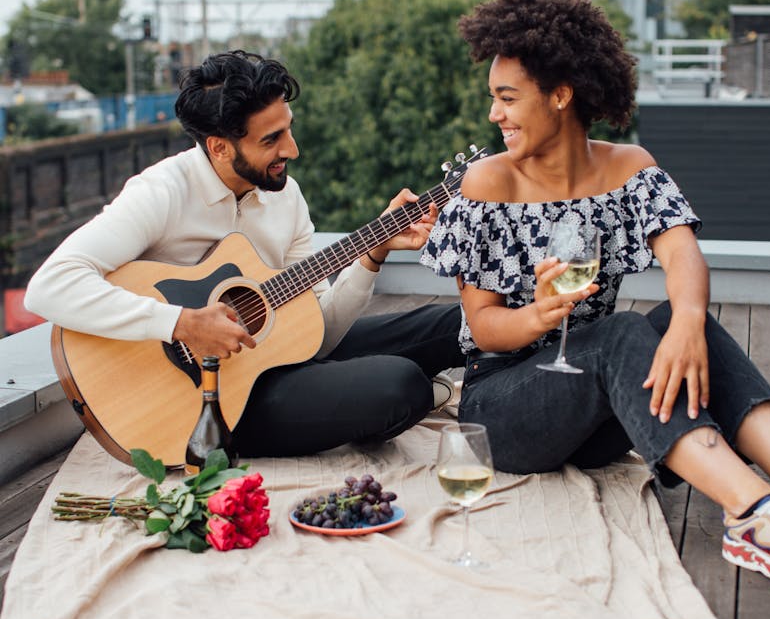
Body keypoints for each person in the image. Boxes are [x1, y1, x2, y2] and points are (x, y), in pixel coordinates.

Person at [420, 0, 770, 587]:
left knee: (685, 321)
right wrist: (540, 314)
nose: (495, 114)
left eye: (508, 98)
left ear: (560, 95)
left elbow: (682, 253)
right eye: (494, 98)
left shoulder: (627, 167)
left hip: (601, 416)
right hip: (505, 415)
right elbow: (481, 328)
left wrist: (685, 321)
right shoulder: (487, 183)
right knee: (624, 329)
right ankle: (754, 512)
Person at [25, 50, 462, 456]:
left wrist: (373, 254)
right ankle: (413, 392)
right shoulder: (161, 193)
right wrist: (183, 323)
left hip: (276, 360)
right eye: (272, 139)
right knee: (399, 385)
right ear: (218, 146)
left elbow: (318, 335)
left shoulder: (286, 197)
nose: (292, 150)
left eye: (289, 128)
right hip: (208, 402)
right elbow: (49, 287)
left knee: (453, 323)